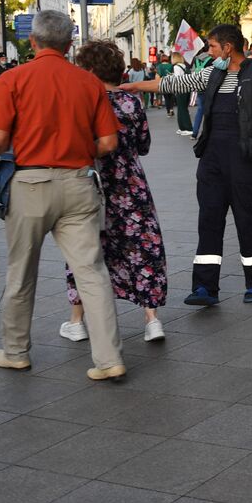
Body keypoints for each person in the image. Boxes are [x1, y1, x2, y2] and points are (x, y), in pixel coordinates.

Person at [0, 10, 126, 381]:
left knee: (21, 272)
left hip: (29, 186)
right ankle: (108, 358)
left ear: (33, 42)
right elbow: (109, 142)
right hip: (78, 184)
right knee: (92, 273)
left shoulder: (11, 79)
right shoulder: (88, 83)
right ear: (68, 45)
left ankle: (15, 351)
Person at [126, 24, 252, 306]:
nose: (208, 51)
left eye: (211, 46)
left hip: (244, 157)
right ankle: (205, 288)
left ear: (228, 47)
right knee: (209, 217)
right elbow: (175, 83)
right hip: (211, 156)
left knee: (247, 218)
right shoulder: (213, 73)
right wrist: (134, 86)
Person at [60, 41, 169, 344]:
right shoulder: (132, 103)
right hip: (131, 186)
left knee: (84, 249)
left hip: (92, 184)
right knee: (143, 246)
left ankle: (77, 321)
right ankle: (152, 320)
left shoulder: (83, 102)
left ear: (91, 70)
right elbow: (143, 146)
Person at [169, 52, 194, 135]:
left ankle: (188, 128)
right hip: (186, 89)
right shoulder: (184, 66)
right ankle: (182, 128)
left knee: (182, 109)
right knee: (182, 108)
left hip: (180, 90)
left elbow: (177, 79)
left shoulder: (176, 66)